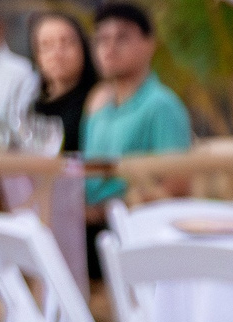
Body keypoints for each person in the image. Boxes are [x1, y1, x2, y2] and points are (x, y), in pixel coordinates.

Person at [80, 1, 190, 206]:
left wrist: (107, 212)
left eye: (122, 38)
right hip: (88, 223)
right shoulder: (98, 105)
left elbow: (177, 186)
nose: (110, 48)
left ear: (150, 44)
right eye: (102, 40)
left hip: (133, 225)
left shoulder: (162, 105)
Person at [29, 10, 97, 156]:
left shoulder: (98, 102)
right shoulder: (32, 107)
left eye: (66, 43)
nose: (57, 53)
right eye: (47, 46)